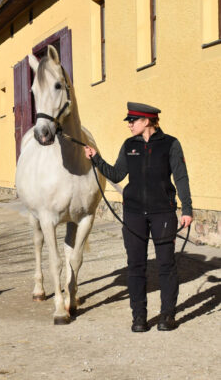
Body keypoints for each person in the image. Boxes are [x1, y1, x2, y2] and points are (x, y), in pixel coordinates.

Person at [84, 102, 193, 332]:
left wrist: (187, 210)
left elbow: (181, 177)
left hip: (163, 212)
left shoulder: (170, 144)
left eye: (133, 120)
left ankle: (167, 316)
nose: (129, 125)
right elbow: (116, 173)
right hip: (134, 214)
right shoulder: (129, 145)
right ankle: (139, 318)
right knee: (135, 266)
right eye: (129, 121)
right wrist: (96, 158)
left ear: (147, 121)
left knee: (166, 264)